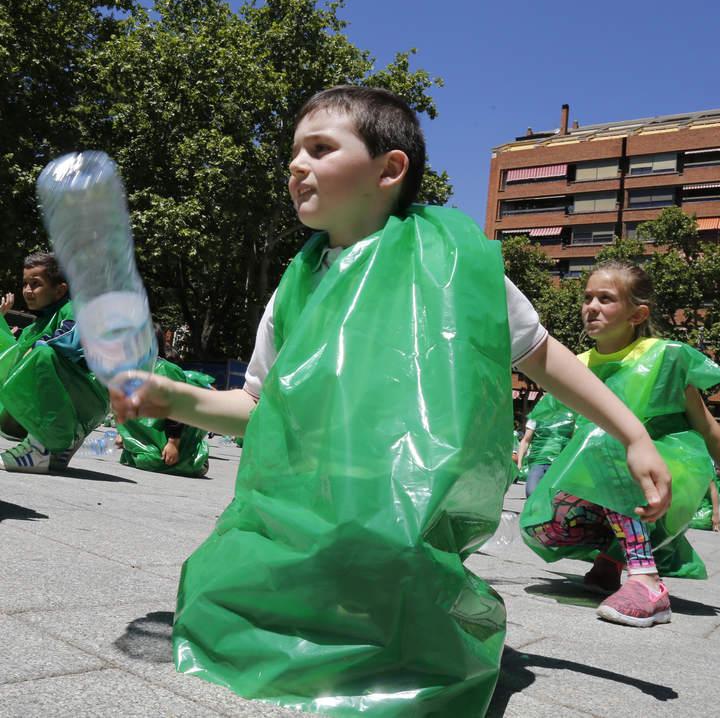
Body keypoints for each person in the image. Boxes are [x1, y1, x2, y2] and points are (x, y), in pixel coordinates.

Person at [111, 86, 671, 716]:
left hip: (401, 516)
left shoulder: (452, 263)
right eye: (293, 151)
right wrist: (174, 397)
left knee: (403, 630)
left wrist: (632, 433)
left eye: (320, 148)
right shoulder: (296, 287)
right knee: (223, 601)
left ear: (390, 169)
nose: (295, 165)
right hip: (309, 516)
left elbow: (545, 359)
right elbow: (256, 411)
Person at [520, 260, 720, 628]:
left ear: (636, 313)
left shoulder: (663, 357)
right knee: (547, 521)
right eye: (587, 297)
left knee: (605, 441)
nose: (591, 306)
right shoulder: (575, 365)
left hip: (667, 469)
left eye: (606, 298)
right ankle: (611, 559)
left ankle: (646, 582)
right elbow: (557, 434)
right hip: (610, 470)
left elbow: (708, 429)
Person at [0, 253, 108, 472]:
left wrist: (35, 348)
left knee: (42, 354)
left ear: (59, 290)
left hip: (89, 397)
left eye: (36, 284)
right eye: (25, 284)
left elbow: (70, 341)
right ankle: (55, 446)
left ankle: (40, 449)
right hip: (68, 397)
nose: (28, 290)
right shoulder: (32, 327)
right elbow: (11, 356)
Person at [115, 326, 210, 477]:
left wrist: (173, 443)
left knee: (153, 460)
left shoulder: (167, 370)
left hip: (167, 440)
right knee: (145, 459)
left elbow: (176, 408)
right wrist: (123, 434)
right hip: (144, 442)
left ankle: (194, 458)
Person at [517, 393, 575, 496]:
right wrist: (519, 463)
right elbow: (526, 440)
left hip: (559, 463)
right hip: (538, 461)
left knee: (554, 496)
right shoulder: (536, 418)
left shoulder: (569, 419)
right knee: (531, 492)